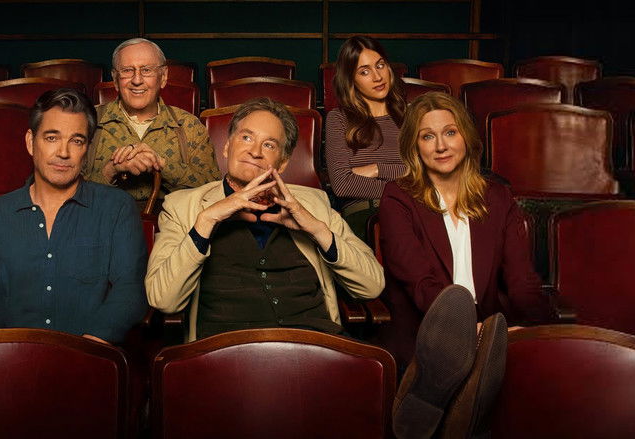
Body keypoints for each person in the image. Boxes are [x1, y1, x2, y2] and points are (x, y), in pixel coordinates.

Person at [145, 97, 384, 342]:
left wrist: (317, 229)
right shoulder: (185, 206)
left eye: (269, 145)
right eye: (246, 138)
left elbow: (371, 285)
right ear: (227, 147)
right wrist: (206, 221)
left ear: (282, 163)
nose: (255, 152)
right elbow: (164, 300)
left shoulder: (315, 203)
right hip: (223, 354)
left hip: (313, 345)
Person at [0, 88, 147, 345]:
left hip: (89, 365)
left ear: (88, 150)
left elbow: (129, 292)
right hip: (7, 370)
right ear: (30, 142)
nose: (63, 152)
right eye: (52, 138)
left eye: (77, 140)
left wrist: (88, 351)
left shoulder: (117, 208)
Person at [373, 91, 554, 368]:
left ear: (466, 137)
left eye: (450, 132)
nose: (441, 146)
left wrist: (542, 334)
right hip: (426, 331)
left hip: (489, 328)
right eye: (428, 136)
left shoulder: (498, 197)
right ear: (415, 147)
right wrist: (470, 330)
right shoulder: (398, 197)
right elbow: (421, 284)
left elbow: (522, 281)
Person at [83, 38, 221, 202]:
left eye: (146, 70)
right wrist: (110, 171)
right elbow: (63, 189)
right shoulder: (87, 121)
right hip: (101, 220)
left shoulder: (188, 125)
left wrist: (161, 164)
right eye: (127, 70)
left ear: (163, 77)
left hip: (172, 224)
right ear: (115, 79)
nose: (137, 80)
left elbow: (213, 190)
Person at [325, 35, 408, 240]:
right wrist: (404, 184)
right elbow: (343, 185)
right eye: (364, 71)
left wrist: (376, 169)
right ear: (351, 79)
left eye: (380, 65)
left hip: (410, 209)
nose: (377, 77)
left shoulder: (411, 116)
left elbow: (423, 172)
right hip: (364, 213)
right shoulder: (339, 119)